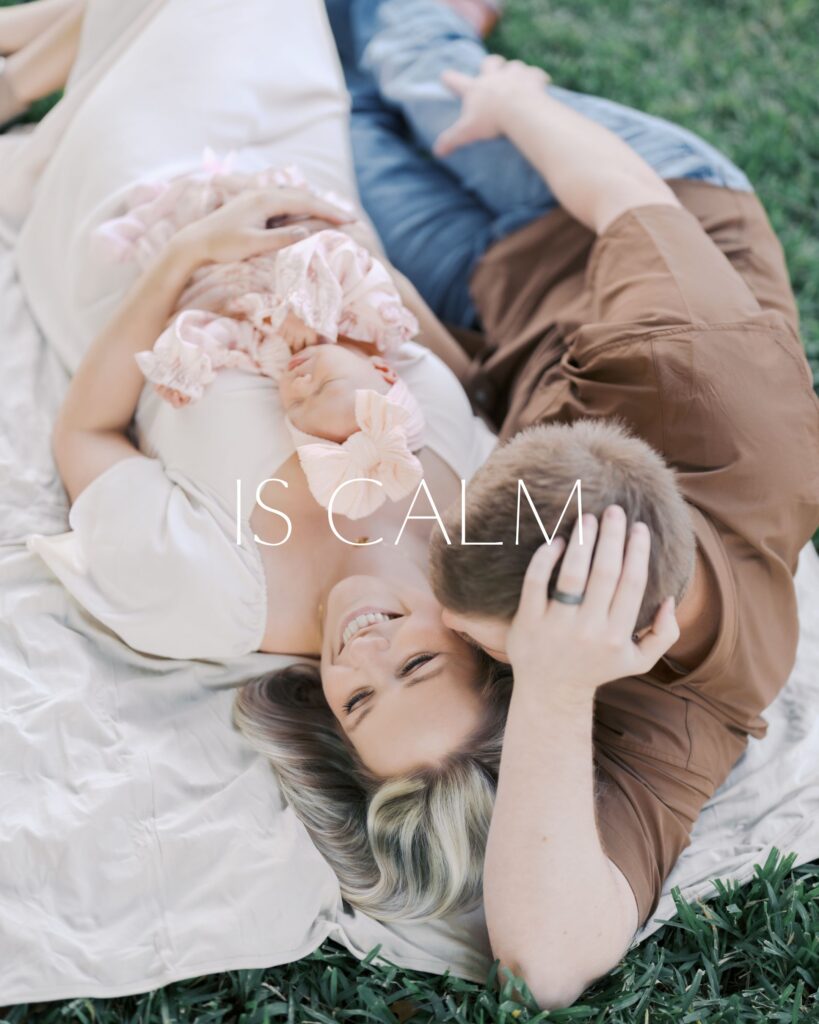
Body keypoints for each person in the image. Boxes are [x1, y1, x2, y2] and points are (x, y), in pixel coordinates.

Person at [327, 0, 819, 1006]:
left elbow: (545, 967)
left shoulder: (681, 698)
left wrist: (555, 693)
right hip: (636, 198)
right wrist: (515, 104)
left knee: (347, 112)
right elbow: (620, 191)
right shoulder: (681, 366)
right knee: (416, 62)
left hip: (492, 296)